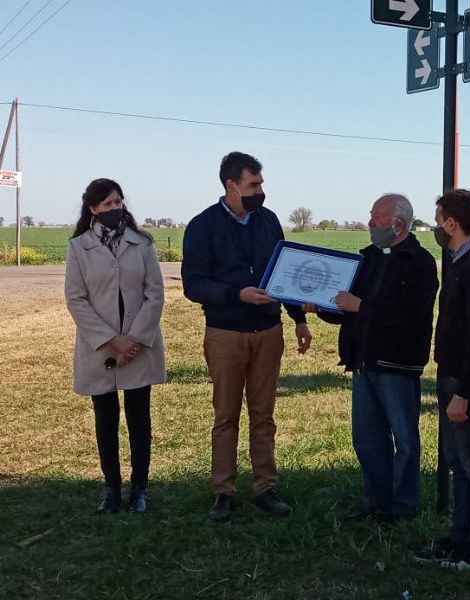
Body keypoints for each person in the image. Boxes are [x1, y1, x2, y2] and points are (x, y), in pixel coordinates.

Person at [182, 151, 313, 522]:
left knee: (263, 414)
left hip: (268, 331)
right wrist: (234, 294)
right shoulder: (202, 226)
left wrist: (298, 319)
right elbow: (193, 284)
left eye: (261, 183)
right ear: (231, 185)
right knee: (226, 415)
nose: (260, 191)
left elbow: (284, 273)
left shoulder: (268, 221)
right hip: (225, 332)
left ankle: (265, 488)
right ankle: (223, 491)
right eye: (253, 184)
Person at [307, 193, 438, 522]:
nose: (370, 224)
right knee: (367, 437)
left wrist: (360, 306)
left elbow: (411, 314)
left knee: (404, 440)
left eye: (377, 218)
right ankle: (376, 502)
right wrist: (320, 305)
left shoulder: (419, 262)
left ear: (398, 224)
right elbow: (346, 309)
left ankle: (404, 508)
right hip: (364, 360)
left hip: (397, 363)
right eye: (371, 216)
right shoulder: (367, 259)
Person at [65, 178, 165, 514]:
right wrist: (112, 340)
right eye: (107, 204)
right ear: (92, 208)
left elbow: (155, 294)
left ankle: (140, 488)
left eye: (118, 202)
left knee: (140, 419)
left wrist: (135, 338)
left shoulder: (143, 244)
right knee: (105, 420)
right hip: (101, 349)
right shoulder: (79, 247)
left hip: (140, 347)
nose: (114, 209)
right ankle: (111, 490)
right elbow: (76, 299)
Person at [415, 189, 470, 568]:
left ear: (451, 223)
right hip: (452, 376)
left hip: (466, 382)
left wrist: (465, 392)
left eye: (438, 220)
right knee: (457, 462)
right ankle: (458, 536)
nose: (436, 227)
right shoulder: (460, 260)